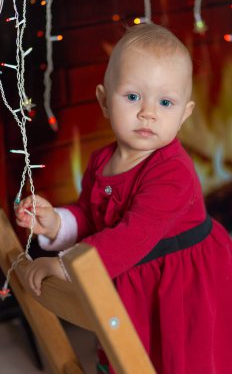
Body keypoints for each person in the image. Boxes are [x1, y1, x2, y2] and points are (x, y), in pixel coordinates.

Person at [15, 23, 232, 374]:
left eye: (165, 102)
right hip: (134, 274)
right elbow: (91, 215)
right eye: (132, 97)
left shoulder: (173, 174)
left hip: (183, 282)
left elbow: (131, 236)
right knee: (131, 351)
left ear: (184, 115)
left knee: (182, 354)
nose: (148, 112)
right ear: (103, 100)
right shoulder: (102, 160)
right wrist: (56, 223)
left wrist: (65, 265)